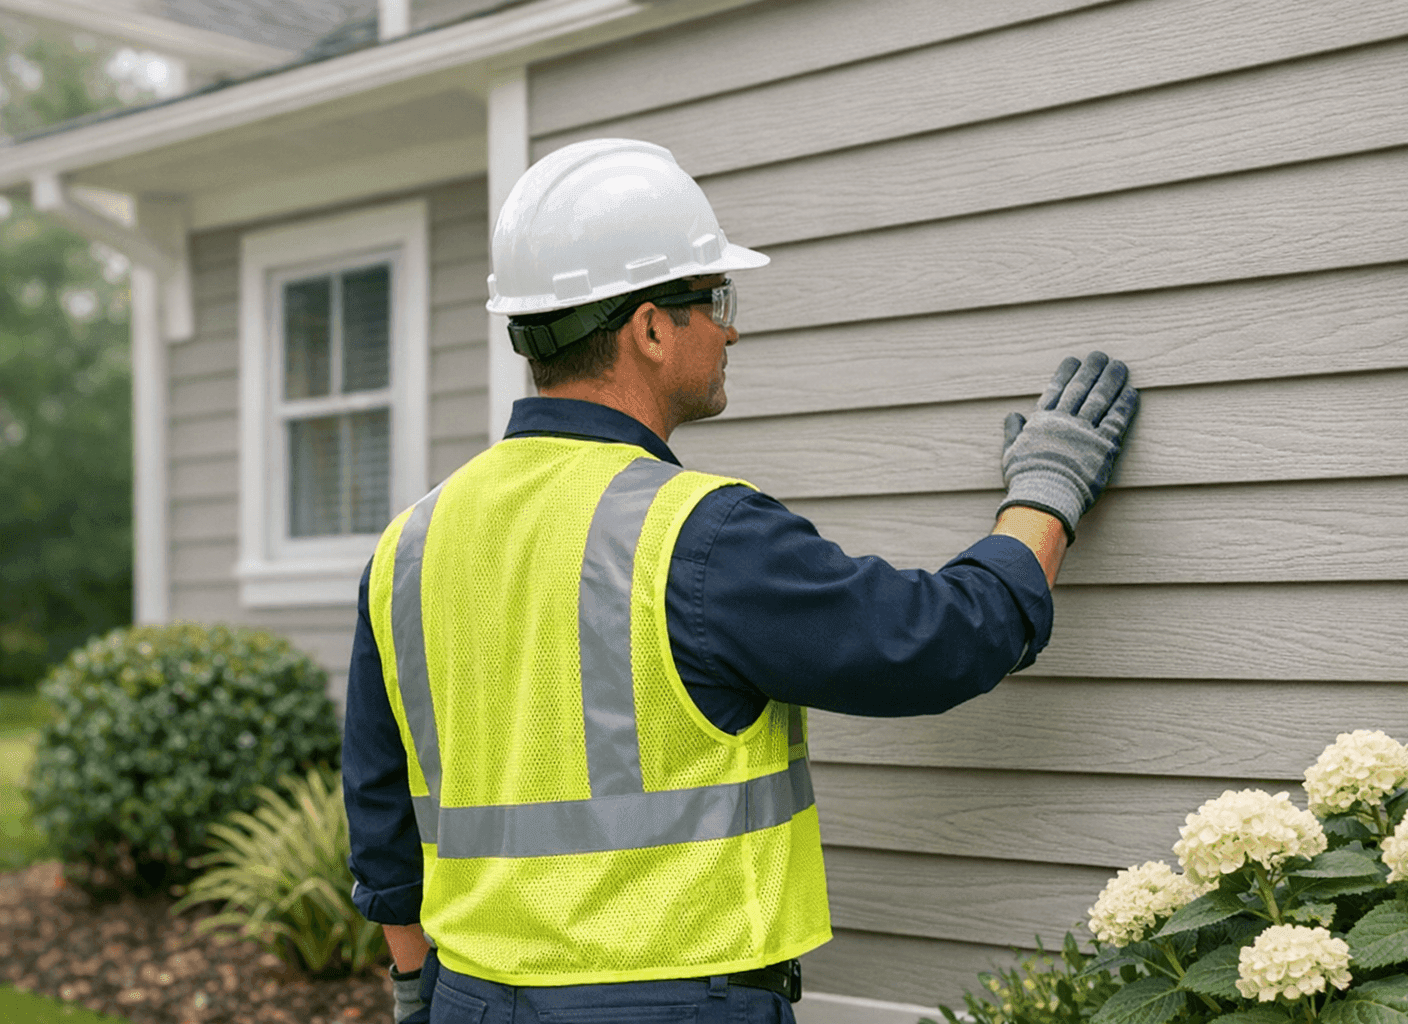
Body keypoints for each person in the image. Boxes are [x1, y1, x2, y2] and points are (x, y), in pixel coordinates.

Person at [342, 138, 1139, 1024]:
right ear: (650, 328)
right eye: (713, 299)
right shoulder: (696, 532)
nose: (731, 326)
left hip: (469, 1000)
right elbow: (935, 642)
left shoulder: (410, 543)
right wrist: (1045, 497)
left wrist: (420, 998)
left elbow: (380, 814)